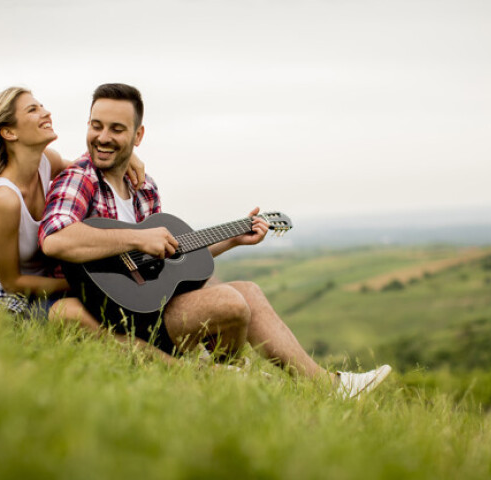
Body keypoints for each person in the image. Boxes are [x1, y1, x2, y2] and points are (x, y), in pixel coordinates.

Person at [39, 83, 391, 399]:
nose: (102, 137)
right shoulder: (79, 178)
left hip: (152, 309)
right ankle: (222, 384)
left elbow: (166, 258)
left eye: (117, 129)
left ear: (138, 135)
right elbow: (55, 239)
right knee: (230, 301)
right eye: (96, 125)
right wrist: (137, 237)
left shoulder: (144, 187)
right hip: (110, 317)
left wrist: (232, 240)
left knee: (249, 291)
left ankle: (330, 387)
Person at [0, 86, 145, 317]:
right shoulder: (4, 199)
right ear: (9, 133)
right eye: (33, 110)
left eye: (41, 106)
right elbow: (12, 282)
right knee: (82, 316)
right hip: (11, 297)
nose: (46, 113)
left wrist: (128, 155)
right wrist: (84, 283)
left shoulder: (46, 161)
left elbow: (92, 169)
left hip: (51, 288)